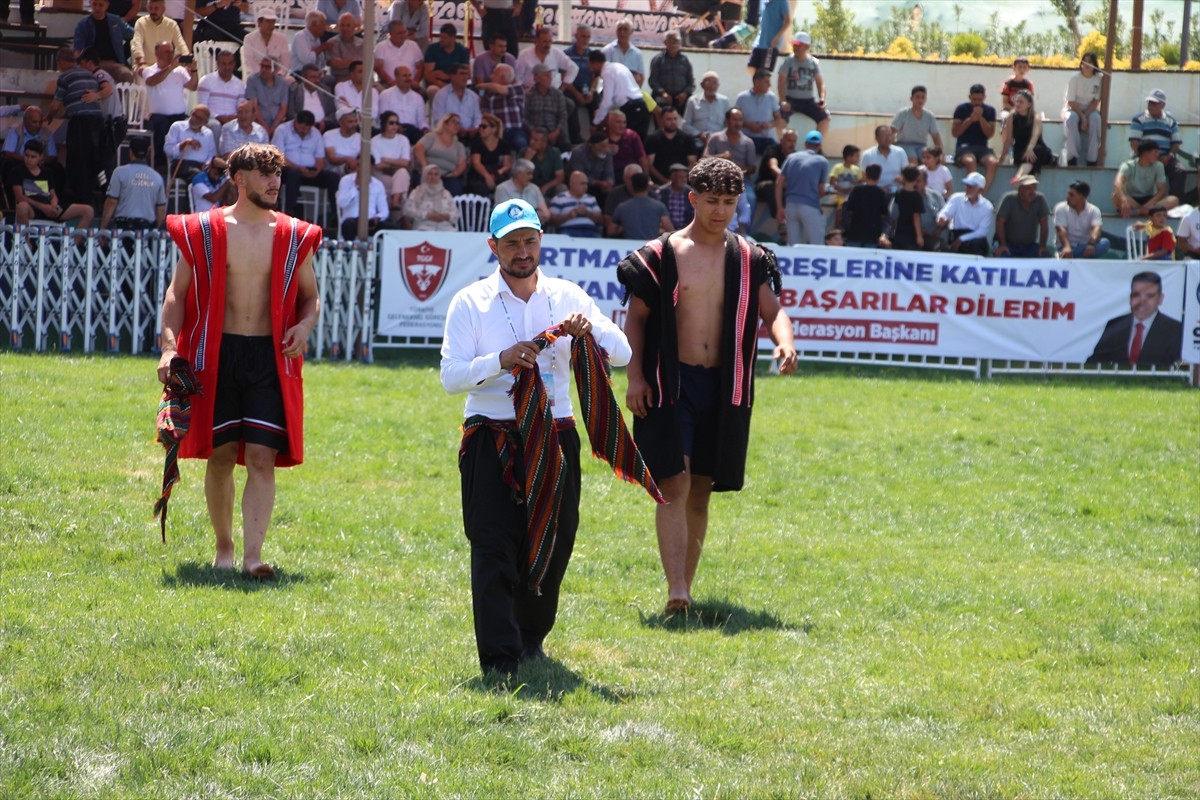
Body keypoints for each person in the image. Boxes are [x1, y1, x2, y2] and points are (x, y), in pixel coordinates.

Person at [440, 198, 632, 677]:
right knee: (492, 543)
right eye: (511, 244)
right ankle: (500, 658)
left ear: (540, 240)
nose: (522, 251)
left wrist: (590, 331)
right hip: (491, 432)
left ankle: (531, 640)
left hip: (556, 432)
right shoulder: (471, 301)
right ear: (493, 247)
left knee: (556, 538)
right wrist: (501, 361)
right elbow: (451, 377)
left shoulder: (567, 294)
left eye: (529, 240)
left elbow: (623, 352)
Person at [618, 157, 797, 613]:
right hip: (668, 382)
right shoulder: (661, 254)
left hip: (725, 388)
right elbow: (635, 319)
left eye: (729, 202)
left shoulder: (749, 256)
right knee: (673, 483)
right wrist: (635, 375)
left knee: (701, 487)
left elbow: (773, 311)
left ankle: (686, 587)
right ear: (693, 199)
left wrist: (785, 343)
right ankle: (675, 587)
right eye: (712, 201)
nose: (721, 211)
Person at [159, 142, 321, 581]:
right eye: (264, 173)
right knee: (223, 455)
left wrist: (304, 328)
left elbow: (311, 298)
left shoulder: (291, 234)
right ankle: (224, 547)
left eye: (277, 174)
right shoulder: (206, 230)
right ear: (239, 179)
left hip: (270, 357)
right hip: (217, 353)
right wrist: (169, 348)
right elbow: (177, 294)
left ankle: (254, 556)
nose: (274, 181)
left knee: (263, 457)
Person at [45, 48, 107, 205]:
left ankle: (81, 199)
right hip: (97, 121)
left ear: (61, 62)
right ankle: (96, 196)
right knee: (93, 159)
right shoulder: (90, 75)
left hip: (80, 122)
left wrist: (48, 118)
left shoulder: (65, 77)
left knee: (77, 160)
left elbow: (55, 105)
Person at [1086, 272, 1181, 366]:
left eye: (1149, 296)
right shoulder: (1115, 324)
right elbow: (1094, 363)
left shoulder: (1176, 330)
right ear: (1130, 298)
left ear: (1160, 298)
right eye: (1136, 295)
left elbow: (1180, 367)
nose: (1142, 301)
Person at [11, 141, 95, 229]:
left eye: (33, 157)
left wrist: (53, 206)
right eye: (26, 156)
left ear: (41, 157)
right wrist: (43, 207)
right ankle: (25, 241)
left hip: (48, 206)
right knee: (22, 206)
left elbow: (53, 195)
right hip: (32, 208)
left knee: (88, 210)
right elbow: (19, 197)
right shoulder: (17, 171)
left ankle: (74, 242)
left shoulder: (47, 172)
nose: (28, 160)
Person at [144, 41, 199, 171]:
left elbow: (193, 86)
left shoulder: (180, 71)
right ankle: (160, 163)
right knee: (161, 125)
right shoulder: (149, 70)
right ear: (157, 54)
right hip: (158, 116)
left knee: (190, 125)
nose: (170, 55)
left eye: (171, 52)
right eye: (166, 52)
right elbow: (152, 82)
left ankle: (184, 164)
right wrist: (170, 68)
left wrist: (194, 70)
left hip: (179, 115)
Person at [274, 110, 340, 219]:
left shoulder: (316, 133)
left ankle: (335, 215)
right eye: (302, 128)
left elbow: (320, 158)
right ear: (295, 122)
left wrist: (317, 170)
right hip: (288, 169)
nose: (304, 131)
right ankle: (291, 212)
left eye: (307, 129)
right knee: (294, 174)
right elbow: (279, 156)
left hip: (309, 171)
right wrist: (299, 168)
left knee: (333, 177)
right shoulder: (282, 130)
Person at [1128, 89, 1186, 203]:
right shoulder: (1139, 119)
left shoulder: (1171, 121)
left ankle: (1174, 204)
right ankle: (1140, 203)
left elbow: (1176, 144)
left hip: (1165, 157)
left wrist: (1169, 156)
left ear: (1163, 105)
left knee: (1180, 171)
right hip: (1144, 157)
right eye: (1149, 102)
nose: (1151, 105)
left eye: (1154, 103)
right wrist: (1147, 157)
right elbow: (1134, 143)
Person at [100, 136, 166, 230]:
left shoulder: (119, 172)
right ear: (148, 151)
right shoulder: (157, 177)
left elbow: (112, 201)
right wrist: (157, 232)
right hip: (146, 230)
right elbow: (161, 208)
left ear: (130, 152)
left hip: (123, 228)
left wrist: (103, 228)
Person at [775, 129, 828, 245]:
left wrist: (780, 207)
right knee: (817, 245)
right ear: (819, 146)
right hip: (810, 206)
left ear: (805, 144)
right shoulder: (822, 161)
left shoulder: (791, 158)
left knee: (793, 245)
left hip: (791, 206)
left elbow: (779, 183)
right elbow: (821, 190)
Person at [588, 51, 650, 144]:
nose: (590, 69)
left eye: (590, 66)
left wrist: (595, 123)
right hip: (642, 106)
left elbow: (607, 102)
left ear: (595, 63)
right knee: (639, 146)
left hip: (631, 110)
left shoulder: (608, 73)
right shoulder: (619, 66)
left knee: (626, 145)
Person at [776, 31, 828, 138]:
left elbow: (820, 83)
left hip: (808, 101)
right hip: (790, 99)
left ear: (807, 47)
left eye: (798, 45)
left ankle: (816, 147)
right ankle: (783, 146)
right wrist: (782, 101)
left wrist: (822, 98)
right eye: (794, 45)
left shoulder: (813, 63)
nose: (796, 48)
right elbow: (781, 82)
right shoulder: (788, 61)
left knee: (825, 117)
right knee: (780, 116)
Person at [72, 0, 134, 84]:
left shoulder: (116, 21)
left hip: (114, 63)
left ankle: (120, 97)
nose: (97, 8)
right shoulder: (83, 24)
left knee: (126, 74)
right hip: (92, 64)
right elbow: (78, 49)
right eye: (94, 4)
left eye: (100, 5)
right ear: (90, 3)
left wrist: (125, 53)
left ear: (107, 5)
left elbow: (134, 35)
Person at [1112, 140, 1178, 219]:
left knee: (1174, 200)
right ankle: (1146, 212)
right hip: (1132, 199)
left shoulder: (1159, 166)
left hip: (1150, 199)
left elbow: (1161, 190)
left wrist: (1149, 204)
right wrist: (1124, 200)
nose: (1158, 155)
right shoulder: (1128, 165)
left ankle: (1140, 211)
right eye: (1155, 152)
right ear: (1145, 153)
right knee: (1115, 197)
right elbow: (1117, 183)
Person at [951, 84, 998, 193]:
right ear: (969, 97)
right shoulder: (961, 109)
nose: (977, 102)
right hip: (964, 147)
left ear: (984, 98)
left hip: (982, 147)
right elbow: (955, 132)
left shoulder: (990, 110)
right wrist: (970, 120)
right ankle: (971, 190)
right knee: (970, 161)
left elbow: (989, 134)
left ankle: (980, 194)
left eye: (980, 99)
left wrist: (981, 118)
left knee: (993, 163)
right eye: (974, 99)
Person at [1000, 90, 1053, 185]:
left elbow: (1035, 135)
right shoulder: (1011, 117)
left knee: (1035, 153)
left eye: (1021, 102)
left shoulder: (1035, 116)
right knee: (1027, 157)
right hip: (1020, 149)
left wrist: (1030, 149)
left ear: (1029, 104)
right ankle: (1021, 180)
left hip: (1036, 148)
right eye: (1016, 101)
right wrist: (1002, 157)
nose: (1017, 104)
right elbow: (1009, 139)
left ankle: (1018, 177)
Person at [935, 171, 992, 256]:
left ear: (980, 190)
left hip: (975, 237)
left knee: (977, 245)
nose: (967, 188)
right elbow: (945, 212)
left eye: (971, 186)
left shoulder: (987, 206)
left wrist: (961, 239)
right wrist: (941, 218)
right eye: (966, 185)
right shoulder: (956, 198)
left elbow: (982, 231)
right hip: (956, 233)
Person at [994, 174, 1050, 258]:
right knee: (1002, 255)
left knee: (1044, 255)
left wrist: (1042, 246)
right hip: (1008, 243)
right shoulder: (1009, 199)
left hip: (1030, 245)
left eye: (1034, 188)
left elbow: (1044, 224)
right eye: (1028, 188)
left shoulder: (1040, 199)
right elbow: (999, 222)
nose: (1032, 191)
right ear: (1020, 189)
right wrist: (1002, 244)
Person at [414, 113, 469, 196]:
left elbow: (462, 163)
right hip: (428, 173)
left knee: (456, 188)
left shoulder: (459, 146)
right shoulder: (432, 136)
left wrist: (455, 173)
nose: (457, 125)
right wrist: (424, 165)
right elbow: (418, 148)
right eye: (453, 122)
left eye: (458, 123)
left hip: (447, 176)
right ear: (445, 124)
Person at [1063, 53, 1102, 166]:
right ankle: (1072, 157)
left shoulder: (1099, 78)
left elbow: (1096, 101)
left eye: (1090, 62)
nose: (1086, 65)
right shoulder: (1074, 78)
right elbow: (1071, 101)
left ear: (1094, 64)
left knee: (1096, 120)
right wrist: (1082, 116)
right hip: (1075, 109)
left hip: (1091, 109)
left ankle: (1092, 158)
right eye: (1084, 61)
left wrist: (1086, 115)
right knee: (1070, 119)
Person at [1053, 180, 1109, 259]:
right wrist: (1066, 247)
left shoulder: (1093, 210)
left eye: (1071, 195)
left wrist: (1091, 244)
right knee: (1067, 251)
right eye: (1068, 194)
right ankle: (1076, 256)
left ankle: (1072, 256)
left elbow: (1097, 229)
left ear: (1082, 197)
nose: (1067, 197)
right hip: (1065, 246)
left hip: (1085, 246)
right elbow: (1061, 230)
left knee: (1105, 243)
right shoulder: (1060, 208)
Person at [477, 64, 527, 151]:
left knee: (520, 143)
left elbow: (500, 89)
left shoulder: (517, 88)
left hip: (515, 130)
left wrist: (484, 85)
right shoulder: (489, 93)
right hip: (497, 131)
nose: (491, 76)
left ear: (503, 78)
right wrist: (481, 90)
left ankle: (522, 163)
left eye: (494, 74)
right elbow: (482, 104)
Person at [842, 163, 891, 249]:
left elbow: (848, 210)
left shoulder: (856, 190)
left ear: (865, 175)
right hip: (873, 235)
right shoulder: (881, 193)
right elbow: (885, 215)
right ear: (879, 177)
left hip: (855, 232)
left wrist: (848, 226)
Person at [609, 172, 671, 240]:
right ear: (648, 186)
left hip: (629, 248)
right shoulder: (659, 206)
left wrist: (624, 226)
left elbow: (611, 231)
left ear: (632, 186)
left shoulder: (621, 207)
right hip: (650, 247)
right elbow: (669, 230)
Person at [644, 107, 698, 186]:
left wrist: (682, 179)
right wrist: (665, 181)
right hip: (659, 183)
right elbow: (649, 165)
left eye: (675, 119)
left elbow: (692, 163)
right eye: (669, 119)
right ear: (661, 120)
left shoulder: (687, 139)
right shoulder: (653, 139)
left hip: (683, 183)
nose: (673, 122)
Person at [132, 0, 189, 73]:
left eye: (156, 8)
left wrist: (187, 56)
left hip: (166, 67)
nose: (153, 11)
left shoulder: (172, 25)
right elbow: (137, 44)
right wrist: (141, 61)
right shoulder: (141, 23)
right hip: (146, 66)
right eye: (150, 8)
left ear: (163, 9)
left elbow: (180, 44)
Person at [196, 50, 246, 133]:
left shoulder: (240, 85)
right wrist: (217, 117)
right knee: (215, 126)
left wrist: (233, 117)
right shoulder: (206, 80)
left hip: (232, 119)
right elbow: (202, 107)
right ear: (217, 64)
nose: (227, 67)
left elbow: (240, 107)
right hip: (210, 119)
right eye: (224, 64)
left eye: (230, 63)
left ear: (234, 64)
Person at [735, 69, 783, 154]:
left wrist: (770, 125)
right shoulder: (742, 97)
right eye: (766, 82)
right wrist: (748, 125)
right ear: (757, 82)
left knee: (779, 153)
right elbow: (734, 120)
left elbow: (778, 119)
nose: (770, 85)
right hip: (746, 138)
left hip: (767, 139)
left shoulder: (771, 97)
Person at [378, 65, 429, 144]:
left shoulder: (418, 97)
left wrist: (425, 129)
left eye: (409, 75)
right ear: (396, 77)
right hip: (394, 130)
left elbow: (421, 121)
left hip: (413, 131)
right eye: (404, 76)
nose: (408, 79)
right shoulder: (386, 94)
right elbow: (384, 117)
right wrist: (396, 127)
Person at [165, 105, 217, 184]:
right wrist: (183, 144)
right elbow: (167, 149)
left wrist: (207, 164)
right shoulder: (177, 127)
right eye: (193, 114)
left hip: (202, 166)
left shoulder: (208, 133)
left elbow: (212, 154)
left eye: (198, 118)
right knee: (197, 175)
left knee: (220, 177)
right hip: (182, 164)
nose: (193, 119)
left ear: (205, 122)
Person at [522, 63, 569, 150]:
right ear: (537, 79)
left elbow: (563, 115)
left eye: (550, 75)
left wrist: (556, 131)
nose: (550, 78)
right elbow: (524, 117)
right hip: (535, 131)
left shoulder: (558, 95)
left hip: (553, 130)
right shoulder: (528, 95)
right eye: (546, 76)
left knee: (565, 145)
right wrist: (533, 131)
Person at [891, 85, 942, 163]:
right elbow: (892, 131)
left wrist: (941, 154)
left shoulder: (929, 116)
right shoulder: (903, 113)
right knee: (912, 160)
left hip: (921, 146)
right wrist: (891, 146)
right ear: (911, 99)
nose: (920, 100)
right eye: (917, 97)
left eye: (922, 97)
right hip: (904, 144)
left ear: (926, 99)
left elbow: (936, 136)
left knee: (929, 160)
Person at [649, 31, 695, 117]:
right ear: (665, 43)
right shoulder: (658, 60)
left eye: (676, 41)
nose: (673, 44)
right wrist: (663, 93)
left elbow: (691, 82)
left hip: (682, 97)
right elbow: (653, 81)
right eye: (670, 41)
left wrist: (685, 93)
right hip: (663, 96)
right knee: (659, 108)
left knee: (692, 108)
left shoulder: (685, 60)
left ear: (680, 43)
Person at [703, 108, 757, 180]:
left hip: (741, 181)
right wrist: (720, 157)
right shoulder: (715, 138)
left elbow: (752, 168)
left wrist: (735, 170)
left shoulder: (748, 142)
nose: (737, 123)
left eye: (740, 120)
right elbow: (704, 159)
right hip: (717, 180)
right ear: (727, 121)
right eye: (734, 120)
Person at [467, 113, 513, 198]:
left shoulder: (503, 145)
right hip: (479, 174)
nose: (481, 129)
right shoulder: (476, 144)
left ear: (494, 129)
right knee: (479, 187)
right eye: (480, 126)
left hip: (497, 172)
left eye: (484, 126)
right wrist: (487, 176)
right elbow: (476, 163)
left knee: (505, 187)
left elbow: (507, 165)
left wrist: (497, 173)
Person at [430, 64, 482, 138]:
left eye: (466, 74)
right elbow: (439, 120)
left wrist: (475, 128)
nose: (465, 77)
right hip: (448, 135)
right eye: (461, 74)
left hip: (470, 136)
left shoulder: (474, 96)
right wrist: (456, 128)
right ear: (452, 76)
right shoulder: (441, 95)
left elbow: (478, 118)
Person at [372, 111, 413, 204]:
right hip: (381, 175)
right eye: (391, 123)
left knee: (402, 173)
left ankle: (394, 203)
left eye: (397, 123)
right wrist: (397, 164)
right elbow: (378, 165)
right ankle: (398, 210)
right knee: (401, 179)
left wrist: (386, 160)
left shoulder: (403, 139)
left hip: (398, 173)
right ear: (384, 124)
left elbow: (405, 163)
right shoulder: (375, 141)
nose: (395, 125)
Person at [336, 171, 391, 239]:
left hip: (370, 221)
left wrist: (377, 217)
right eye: (358, 165)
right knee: (349, 224)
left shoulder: (378, 184)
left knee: (389, 227)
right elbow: (341, 204)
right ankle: (351, 248)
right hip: (352, 221)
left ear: (372, 168)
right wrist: (356, 187)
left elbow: (384, 211)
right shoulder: (346, 180)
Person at [548, 170, 603, 237]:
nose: (586, 186)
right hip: (568, 231)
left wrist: (587, 213)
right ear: (572, 184)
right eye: (582, 184)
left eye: (586, 184)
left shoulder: (591, 199)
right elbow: (552, 221)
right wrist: (569, 216)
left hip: (590, 231)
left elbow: (600, 220)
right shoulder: (559, 199)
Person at [748, 0, 797, 73]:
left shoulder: (782, 2)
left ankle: (764, 83)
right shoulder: (762, 1)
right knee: (751, 67)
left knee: (765, 72)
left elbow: (788, 21)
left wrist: (778, 36)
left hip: (771, 44)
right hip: (759, 42)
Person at [404, 163, 458, 230]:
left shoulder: (446, 193)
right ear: (424, 175)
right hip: (423, 227)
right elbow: (408, 211)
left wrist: (446, 216)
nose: (433, 177)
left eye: (436, 174)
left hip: (445, 227)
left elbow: (456, 213)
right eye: (429, 174)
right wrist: (427, 215)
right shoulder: (417, 192)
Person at [494, 158, 549, 223]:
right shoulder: (502, 189)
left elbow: (546, 214)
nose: (531, 177)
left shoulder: (535, 189)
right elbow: (504, 216)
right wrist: (533, 215)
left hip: (533, 230)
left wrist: (521, 216)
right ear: (518, 174)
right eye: (528, 173)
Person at [566, 131, 614, 204]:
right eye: (602, 146)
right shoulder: (578, 153)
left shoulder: (608, 153)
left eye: (606, 146)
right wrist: (599, 183)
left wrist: (609, 182)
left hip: (600, 185)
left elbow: (609, 173)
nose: (605, 149)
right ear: (592, 146)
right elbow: (578, 176)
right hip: (582, 184)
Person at [241, 7, 290, 78]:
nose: (271, 25)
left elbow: (286, 61)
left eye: (273, 21)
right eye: (268, 21)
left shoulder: (282, 38)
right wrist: (264, 74)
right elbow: (249, 61)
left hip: (278, 77)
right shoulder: (249, 38)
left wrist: (279, 74)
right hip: (257, 76)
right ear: (259, 23)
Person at [246, 57, 290, 137]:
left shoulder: (283, 83)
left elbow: (283, 108)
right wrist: (265, 127)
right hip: (257, 122)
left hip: (278, 123)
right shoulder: (252, 80)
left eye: (267, 67)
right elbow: (254, 107)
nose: (263, 69)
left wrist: (273, 127)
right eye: (262, 66)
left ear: (276, 70)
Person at [683, 71, 730, 143]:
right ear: (702, 85)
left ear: (718, 85)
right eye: (708, 82)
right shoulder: (692, 101)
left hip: (719, 140)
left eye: (715, 83)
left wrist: (718, 136)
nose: (712, 85)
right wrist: (699, 134)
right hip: (697, 139)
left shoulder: (724, 101)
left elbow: (728, 124)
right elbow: (686, 125)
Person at [376, 19, 425, 88]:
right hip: (387, 84)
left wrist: (416, 81)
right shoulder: (381, 46)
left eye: (404, 32)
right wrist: (390, 81)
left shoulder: (413, 45)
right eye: (399, 33)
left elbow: (421, 67)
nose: (403, 35)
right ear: (390, 34)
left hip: (410, 84)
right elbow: (378, 67)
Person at [861, 124, 907, 195]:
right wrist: (879, 190)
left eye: (890, 135)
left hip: (897, 192)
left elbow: (906, 173)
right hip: (875, 193)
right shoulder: (868, 155)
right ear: (877, 138)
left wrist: (902, 178)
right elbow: (864, 177)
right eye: (884, 136)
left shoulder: (900, 152)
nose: (888, 138)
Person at [423, 23, 470, 92]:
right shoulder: (432, 49)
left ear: (453, 38)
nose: (441, 40)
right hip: (436, 84)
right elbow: (428, 75)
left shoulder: (463, 51)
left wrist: (449, 76)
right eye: (440, 37)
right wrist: (442, 84)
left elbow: (467, 73)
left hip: (456, 83)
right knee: (432, 90)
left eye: (444, 38)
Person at [604, 109, 649, 180]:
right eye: (618, 122)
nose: (622, 125)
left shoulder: (632, 135)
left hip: (631, 174)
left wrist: (646, 178)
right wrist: (604, 149)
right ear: (609, 123)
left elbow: (642, 158)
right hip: (609, 175)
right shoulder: (601, 136)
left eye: (624, 122)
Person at [601, 18, 646, 86]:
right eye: (619, 29)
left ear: (631, 32)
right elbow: (602, 74)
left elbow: (641, 77)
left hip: (631, 91)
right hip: (611, 90)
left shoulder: (637, 54)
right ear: (616, 31)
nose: (622, 32)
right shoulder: (607, 50)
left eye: (625, 29)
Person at [334, 60, 381, 125]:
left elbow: (373, 114)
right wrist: (362, 113)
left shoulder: (373, 91)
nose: (364, 74)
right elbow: (342, 110)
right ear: (352, 74)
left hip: (367, 127)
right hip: (347, 125)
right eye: (360, 71)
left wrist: (350, 108)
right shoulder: (341, 86)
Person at [890, 164, 925, 251]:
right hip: (911, 233)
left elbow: (894, 212)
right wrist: (919, 236)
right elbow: (916, 216)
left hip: (899, 230)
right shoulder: (916, 196)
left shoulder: (898, 193)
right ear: (916, 177)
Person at [525, 127, 564, 199]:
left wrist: (546, 187)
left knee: (562, 188)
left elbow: (560, 177)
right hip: (530, 187)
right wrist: (526, 160)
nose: (531, 142)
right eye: (531, 139)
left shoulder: (554, 152)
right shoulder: (524, 152)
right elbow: (518, 178)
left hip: (549, 187)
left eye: (535, 140)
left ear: (544, 143)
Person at [291, 11, 333, 75]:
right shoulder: (300, 37)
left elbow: (321, 62)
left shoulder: (317, 38)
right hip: (301, 74)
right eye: (322, 24)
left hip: (316, 74)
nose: (325, 27)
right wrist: (322, 47)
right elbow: (307, 60)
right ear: (313, 24)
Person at [658, 162, 693, 230]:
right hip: (665, 231)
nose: (684, 180)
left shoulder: (690, 192)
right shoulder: (661, 192)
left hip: (685, 231)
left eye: (685, 177)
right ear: (672, 177)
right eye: (680, 177)